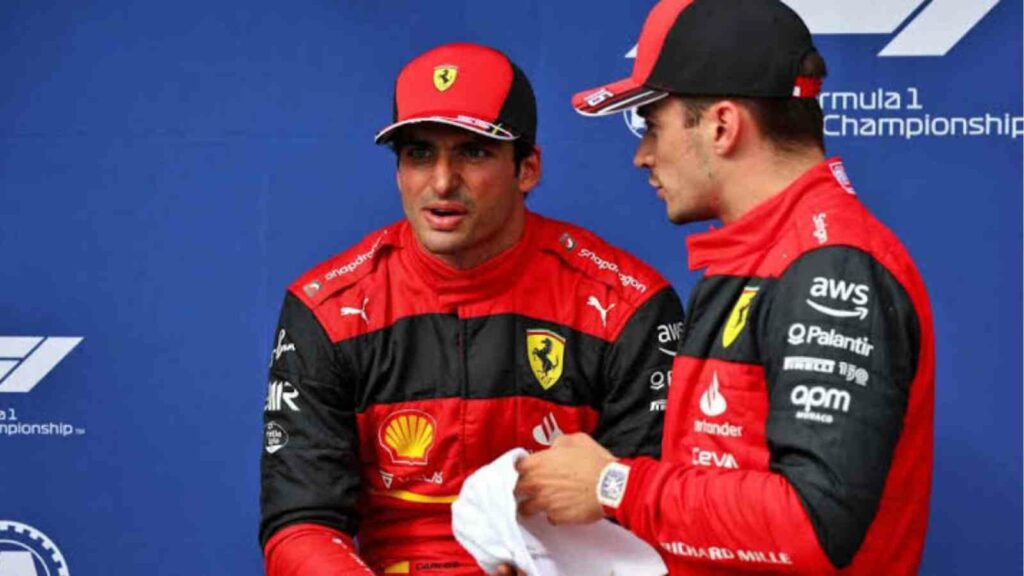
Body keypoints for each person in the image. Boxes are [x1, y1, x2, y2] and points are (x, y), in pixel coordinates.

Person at [513, 0, 935, 574]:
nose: (641, 155)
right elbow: (713, 512)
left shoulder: (830, 267)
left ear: (721, 125)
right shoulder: (746, 261)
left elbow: (813, 527)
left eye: (652, 126)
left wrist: (614, 484)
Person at [259, 42, 684, 575]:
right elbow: (301, 524)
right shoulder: (326, 309)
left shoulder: (628, 306)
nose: (441, 182)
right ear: (397, 171)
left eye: (474, 152)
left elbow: (652, 518)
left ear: (527, 169)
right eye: (419, 154)